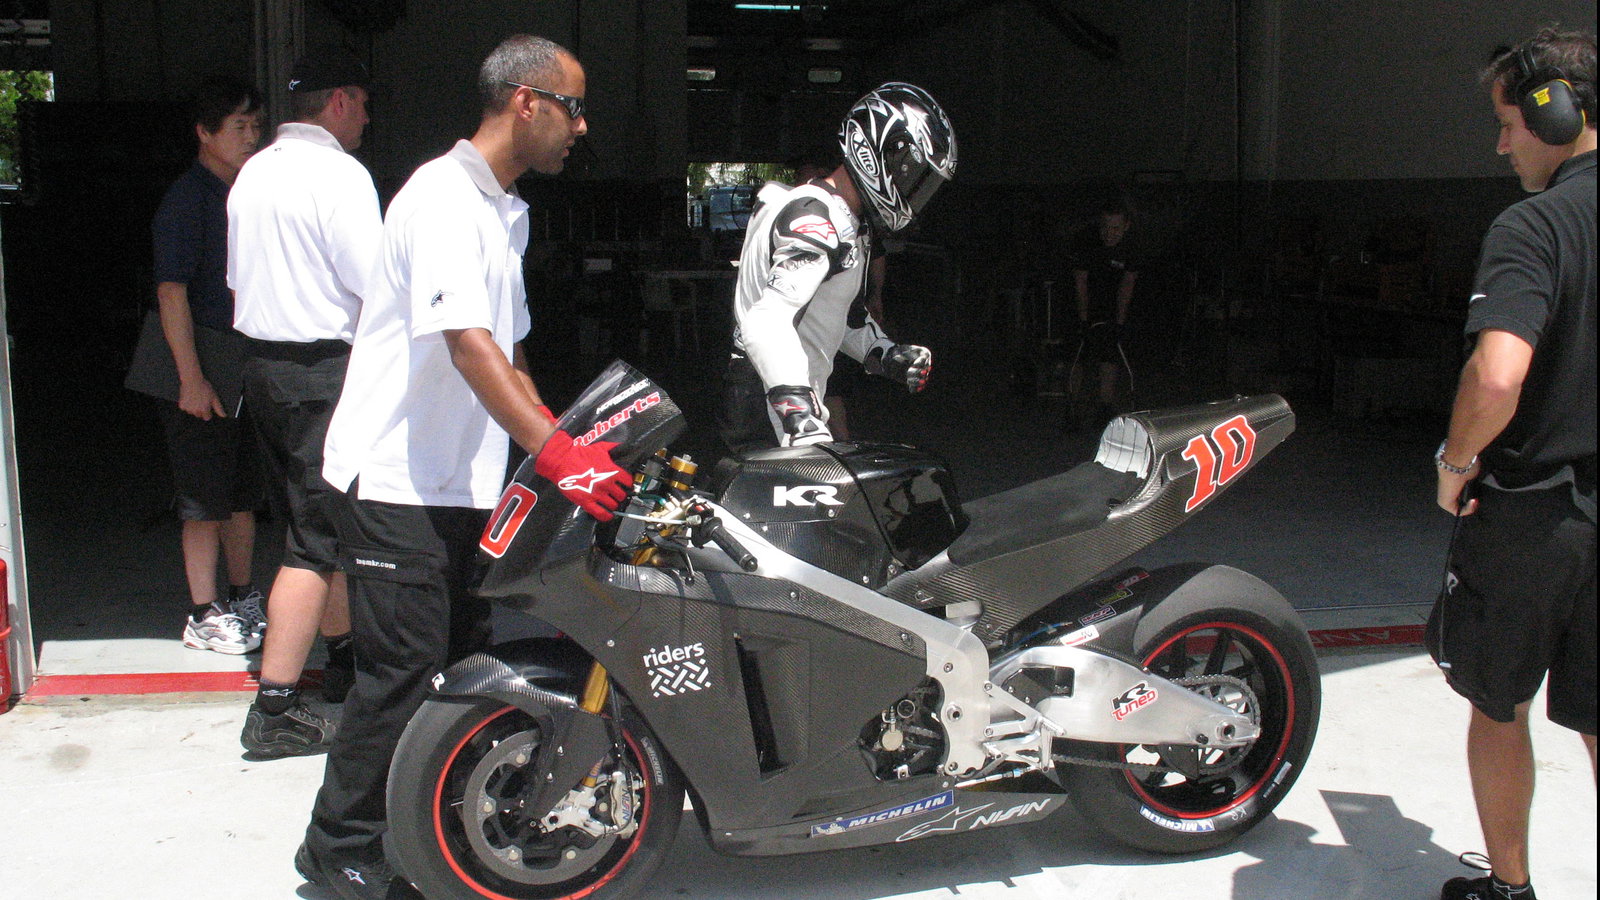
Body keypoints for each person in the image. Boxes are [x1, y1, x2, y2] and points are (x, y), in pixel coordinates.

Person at [298, 36, 625, 899]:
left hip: (461, 482)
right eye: (574, 106)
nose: (581, 127)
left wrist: (566, 453)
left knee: (462, 668)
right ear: (526, 101)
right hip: (394, 480)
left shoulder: (503, 209)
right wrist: (560, 457)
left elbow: (513, 359)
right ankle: (340, 853)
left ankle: (425, 832)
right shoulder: (442, 198)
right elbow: (470, 348)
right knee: (399, 677)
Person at [1426, 27, 1596, 900]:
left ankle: (1510, 888)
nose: (1500, 145)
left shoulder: (1536, 224)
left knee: (1499, 706)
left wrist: (1457, 462)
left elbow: (1498, 374)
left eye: (1508, 123)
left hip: (1537, 512)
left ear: (1556, 111)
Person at [227, 46, 380, 757]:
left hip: (263, 369)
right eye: (364, 106)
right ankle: (277, 708)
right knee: (314, 541)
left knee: (317, 523)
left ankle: (344, 658)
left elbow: (237, 279)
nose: (366, 120)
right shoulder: (340, 176)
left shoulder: (252, 173)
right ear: (342, 100)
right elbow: (378, 285)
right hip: (323, 371)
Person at [719, 83, 956, 453]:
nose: (912, 190)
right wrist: (798, 412)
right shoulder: (816, 219)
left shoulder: (843, 219)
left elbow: (837, 313)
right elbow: (765, 321)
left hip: (782, 401)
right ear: (874, 154)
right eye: (911, 174)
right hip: (771, 408)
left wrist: (883, 353)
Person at [152, 76, 266, 655]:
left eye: (255, 126)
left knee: (242, 493)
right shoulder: (186, 200)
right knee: (202, 499)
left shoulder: (248, 194)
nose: (251, 137)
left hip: (244, 364)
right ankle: (203, 612)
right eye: (238, 127)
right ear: (204, 133)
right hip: (201, 364)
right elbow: (171, 292)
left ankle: (243, 596)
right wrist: (190, 379)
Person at [1067, 200, 1139, 425]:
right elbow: (1081, 283)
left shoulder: (1131, 250)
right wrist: (1083, 319)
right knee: (1079, 355)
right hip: (1083, 303)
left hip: (1110, 304)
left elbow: (1127, 286)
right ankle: (1073, 408)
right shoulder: (1087, 246)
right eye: (1106, 227)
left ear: (1126, 226)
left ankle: (1105, 407)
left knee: (1110, 352)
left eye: (1116, 228)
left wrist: (1119, 321)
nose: (1110, 233)